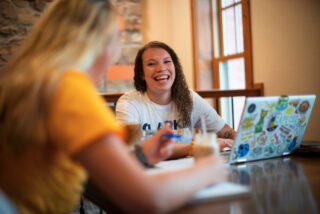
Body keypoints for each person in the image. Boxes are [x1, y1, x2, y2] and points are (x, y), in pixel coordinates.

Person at [0, 1, 228, 214]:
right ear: (99, 41)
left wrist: (141, 155)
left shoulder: (33, 82)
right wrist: (208, 170)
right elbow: (147, 198)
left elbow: (92, 167)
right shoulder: (70, 89)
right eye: (116, 39)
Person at [116, 41, 237, 158]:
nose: (161, 68)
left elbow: (227, 132)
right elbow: (132, 150)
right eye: (152, 64)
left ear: (175, 67)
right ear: (141, 73)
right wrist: (196, 147)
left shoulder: (189, 98)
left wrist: (250, 142)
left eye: (167, 61)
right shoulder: (129, 103)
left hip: (187, 173)